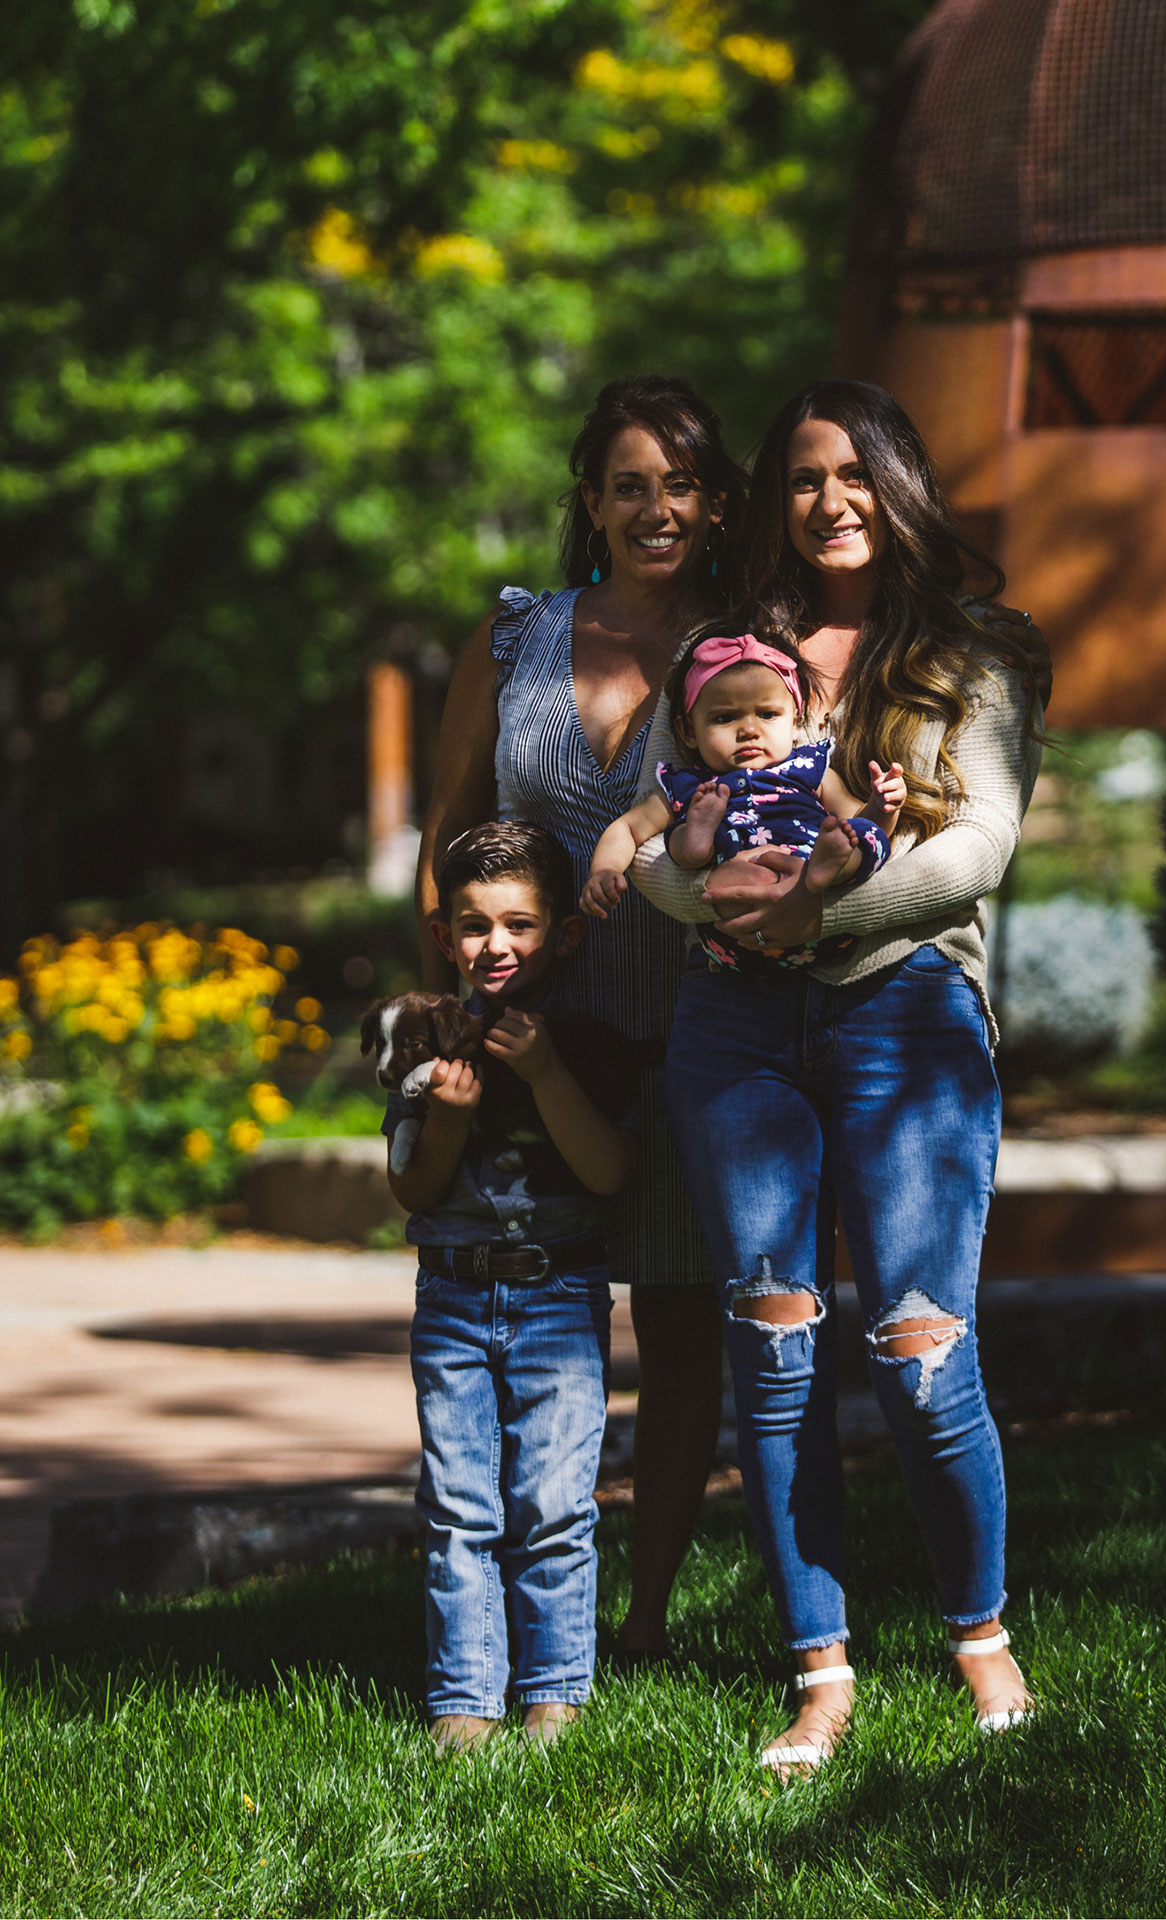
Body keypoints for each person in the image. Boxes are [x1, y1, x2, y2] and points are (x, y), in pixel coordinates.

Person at [625, 377, 1049, 1775]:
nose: (830, 501)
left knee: (922, 1351)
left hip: (905, 1016)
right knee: (773, 1347)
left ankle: (979, 1637)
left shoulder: (976, 651)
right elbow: (654, 837)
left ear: (899, 485)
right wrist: (726, 913)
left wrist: (815, 915)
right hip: (735, 1032)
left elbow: (980, 844)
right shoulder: (725, 651)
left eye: (855, 473)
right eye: (805, 477)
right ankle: (820, 1672)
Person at [419, 376, 744, 1662]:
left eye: (680, 485)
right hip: (524, 1049)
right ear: (592, 502)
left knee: (678, 1330)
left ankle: (644, 1620)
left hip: (689, 1040)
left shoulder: (749, 652)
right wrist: (452, 1005)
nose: (656, 509)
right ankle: (507, 1624)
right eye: (629, 486)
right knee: (525, 1330)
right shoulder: (517, 639)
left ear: (716, 504)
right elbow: (449, 828)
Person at [392, 821, 643, 1750]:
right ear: (444, 935)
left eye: (520, 925)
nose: (495, 945)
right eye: (473, 926)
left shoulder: (587, 1045)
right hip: (452, 1300)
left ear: (563, 935)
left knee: (552, 1505)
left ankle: (554, 1696)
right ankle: (463, 1703)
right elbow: (413, 1190)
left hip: (558, 1298)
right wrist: (447, 1123)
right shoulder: (422, 1044)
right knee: (458, 1507)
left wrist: (541, 1073)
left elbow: (608, 1172)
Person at [580, 630, 906, 972]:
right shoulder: (691, 786)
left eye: (767, 714)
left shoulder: (809, 769)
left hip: (821, 911)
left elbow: (860, 820)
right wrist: (605, 869)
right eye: (725, 718)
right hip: (739, 929)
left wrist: (882, 805)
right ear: (688, 731)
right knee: (689, 839)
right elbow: (628, 829)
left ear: (795, 721)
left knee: (861, 835)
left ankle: (831, 866)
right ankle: (696, 845)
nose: (749, 729)